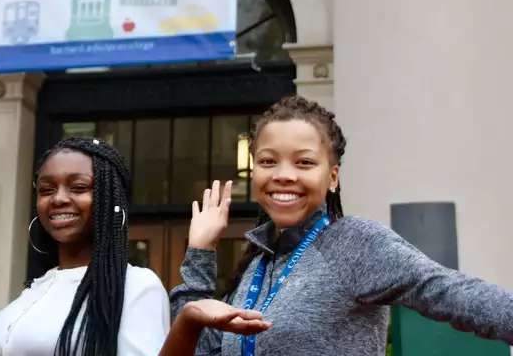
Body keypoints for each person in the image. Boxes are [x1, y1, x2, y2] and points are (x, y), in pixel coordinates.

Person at [162, 95, 513, 356]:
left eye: (304, 162)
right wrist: (200, 252)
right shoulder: (256, 264)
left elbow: (451, 292)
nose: (284, 175)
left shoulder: (355, 244)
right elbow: (196, 348)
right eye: (268, 161)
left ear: (332, 177)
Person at [0, 136, 170, 356]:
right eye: (46, 190)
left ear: (111, 201)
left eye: (79, 187)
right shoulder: (37, 288)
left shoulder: (136, 285)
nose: (58, 198)